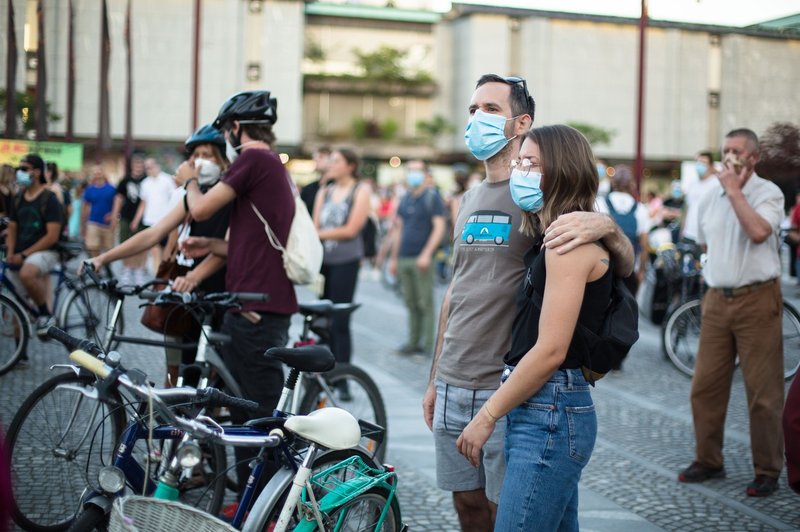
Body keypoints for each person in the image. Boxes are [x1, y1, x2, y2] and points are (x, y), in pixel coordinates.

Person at [421, 74, 634, 531]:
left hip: (515, 387)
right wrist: (435, 375)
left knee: (513, 512)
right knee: (471, 507)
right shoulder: (470, 198)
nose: (476, 118)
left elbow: (616, 263)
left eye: (490, 110)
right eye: (473, 109)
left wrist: (610, 229)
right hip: (457, 379)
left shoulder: (550, 207)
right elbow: (456, 290)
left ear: (521, 123)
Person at [457, 124, 611, 531]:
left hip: (551, 409)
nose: (521, 170)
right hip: (544, 407)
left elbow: (550, 350)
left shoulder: (567, 244)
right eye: (520, 160)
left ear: (561, 170)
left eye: (532, 163)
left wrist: (487, 414)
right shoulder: (552, 234)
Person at [174, 91, 297, 496]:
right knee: (242, 411)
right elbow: (254, 242)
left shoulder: (254, 159)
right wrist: (210, 247)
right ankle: (248, 501)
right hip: (247, 303)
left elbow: (202, 209)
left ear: (236, 128)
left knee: (259, 420)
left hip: (257, 309)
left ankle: (270, 503)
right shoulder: (266, 165)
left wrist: (190, 179)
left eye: (226, 129)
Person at [678, 128, 785, 497]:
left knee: (763, 391)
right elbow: (706, 241)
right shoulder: (710, 196)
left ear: (753, 158)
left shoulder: (768, 193)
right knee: (704, 386)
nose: (730, 157)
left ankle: (767, 469)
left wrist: (736, 192)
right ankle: (708, 459)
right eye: (725, 150)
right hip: (716, 300)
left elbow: (758, 232)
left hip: (757, 299)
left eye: (737, 151)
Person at [86, 124, 231, 384]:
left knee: (217, 379)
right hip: (189, 295)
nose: (199, 162)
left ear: (223, 160)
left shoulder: (229, 194)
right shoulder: (193, 194)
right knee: (185, 373)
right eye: (195, 156)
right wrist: (103, 258)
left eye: (207, 156)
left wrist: (190, 182)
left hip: (222, 295)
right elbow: (153, 233)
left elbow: (226, 244)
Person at [312, 147, 370, 379]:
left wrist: (321, 234)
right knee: (321, 321)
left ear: (350, 165)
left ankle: (343, 374)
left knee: (340, 320)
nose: (331, 165)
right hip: (323, 262)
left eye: (336, 161)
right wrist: (321, 234)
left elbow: (352, 230)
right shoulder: (324, 191)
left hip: (345, 261)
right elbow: (315, 224)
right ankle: (323, 372)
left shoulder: (360, 190)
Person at [388, 160, 446, 356]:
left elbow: (439, 227)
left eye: (417, 171)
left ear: (425, 174)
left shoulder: (432, 197)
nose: (413, 174)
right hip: (404, 256)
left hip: (422, 259)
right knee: (410, 302)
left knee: (425, 303)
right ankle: (412, 342)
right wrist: (394, 259)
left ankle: (427, 346)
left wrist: (426, 254)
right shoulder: (405, 199)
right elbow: (399, 230)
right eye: (410, 171)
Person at [6, 154, 64, 336]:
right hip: (20, 252)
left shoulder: (50, 199)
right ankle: (20, 354)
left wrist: (23, 255)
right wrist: (10, 253)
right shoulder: (18, 198)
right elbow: (12, 229)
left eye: (24, 169)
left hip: (46, 252)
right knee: (17, 301)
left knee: (27, 272)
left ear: (37, 172)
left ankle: (45, 314)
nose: (19, 173)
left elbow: (52, 236)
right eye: (19, 169)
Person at [595, 164, 650, 294]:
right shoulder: (641, 209)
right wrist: (641, 271)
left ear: (613, 182)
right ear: (632, 184)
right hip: (629, 270)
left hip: (603, 269)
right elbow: (644, 246)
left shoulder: (600, 203)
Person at [111, 155, 148, 285]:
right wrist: (114, 216)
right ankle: (127, 268)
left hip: (144, 218)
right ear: (132, 165)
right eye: (136, 164)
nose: (138, 167)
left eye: (140, 164)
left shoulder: (147, 180)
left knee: (142, 245)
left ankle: (138, 269)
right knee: (125, 243)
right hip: (126, 216)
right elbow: (118, 199)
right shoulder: (125, 180)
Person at [133, 158, 176, 269]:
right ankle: (157, 279)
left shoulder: (167, 180)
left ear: (157, 165)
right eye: (146, 167)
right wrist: (136, 220)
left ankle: (164, 277)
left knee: (167, 251)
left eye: (151, 166)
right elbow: (143, 204)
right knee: (155, 251)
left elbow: (174, 200)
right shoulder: (145, 183)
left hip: (166, 222)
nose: (149, 169)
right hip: (150, 222)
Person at [682, 150, 718, 243]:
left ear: (710, 166)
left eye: (703, 163)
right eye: (698, 162)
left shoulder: (716, 184)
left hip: (707, 236)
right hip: (689, 233)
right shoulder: (692, 184)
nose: (699, 165)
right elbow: (687, 208)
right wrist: (683, 229)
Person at [81, 165, 117, 257]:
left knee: (109, 249)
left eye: (99, 171)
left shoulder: (112, 189)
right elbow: (85, 208)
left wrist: (114, 216)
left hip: (107, 224)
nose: (97, 174)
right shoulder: (89, 190)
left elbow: (118, 205)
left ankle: (107, 268)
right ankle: (97, 269)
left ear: (103, 173)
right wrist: (83, 226)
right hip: (93, 222)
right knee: (93, 247)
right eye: (95, 172)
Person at [300, 145, 331, 215]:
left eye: (321, 157)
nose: (316, 159)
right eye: (314, 157)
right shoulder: (308, 188)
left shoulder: (336, 187)